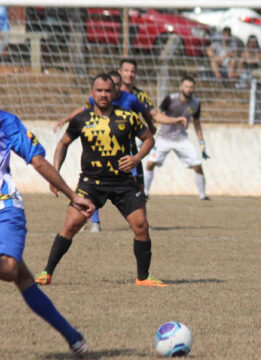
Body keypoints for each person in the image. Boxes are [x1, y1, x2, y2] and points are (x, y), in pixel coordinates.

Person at [35, 73, 167, 287]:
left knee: (141, 225)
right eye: (99, 90)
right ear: (92, 93)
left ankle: (142, 277)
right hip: (91, 182)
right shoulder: (82, 119)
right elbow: (62, 144)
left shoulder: (128, 116)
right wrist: (55, 174)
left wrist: (135, 159)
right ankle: (46, 273)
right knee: (72, 224)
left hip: (123, 182)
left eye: (108, 90)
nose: (104, 94)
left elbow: (149, 139)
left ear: (114, 92)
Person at [0, 110, 95, 357]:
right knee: (21, 277)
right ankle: (73, 336)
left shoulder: (5, 121)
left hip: (5, 205)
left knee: (12, 270)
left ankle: (72, 336)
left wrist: (72, 195)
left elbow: (38, 161)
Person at [53, 70, 185, 232]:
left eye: (113, 87)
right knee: (95, 186)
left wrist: (151, 128)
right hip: (101, 152)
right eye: (126, 71)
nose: (106, 92)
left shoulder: (133, 98)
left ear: (118, 88)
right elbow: (83, 112)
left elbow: (149, 115)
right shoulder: (99, 97)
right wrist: (64, 120)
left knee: (139, 187)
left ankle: (141, 223)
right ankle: (95, 222)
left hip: (128, 154)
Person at [144, 75, 210, 200]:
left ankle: (203, 195)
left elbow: (197, 123)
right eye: (186, 86)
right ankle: (145, 192)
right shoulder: (170, 99)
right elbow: (157, 114)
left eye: (191, 87)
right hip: (164, 137)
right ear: (181, 87)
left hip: (181, 139)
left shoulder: (196, 103)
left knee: (197, 165)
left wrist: (202, 143)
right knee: (150, 163)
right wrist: (148, 133)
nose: (189, 89)